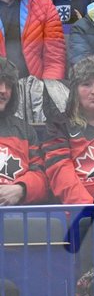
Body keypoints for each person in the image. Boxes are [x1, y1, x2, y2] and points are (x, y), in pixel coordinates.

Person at [42, 56, 94, 203]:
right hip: (79, 212)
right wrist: (91, 209)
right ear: (75, 92)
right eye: (86, 84)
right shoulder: (58, 126)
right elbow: (60, 172)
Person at [0, 56, 45, 205]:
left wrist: (21, 189)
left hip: (20, 218)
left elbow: (42, 175)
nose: (3, 90)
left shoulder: (25, 130)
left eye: (8, 85)